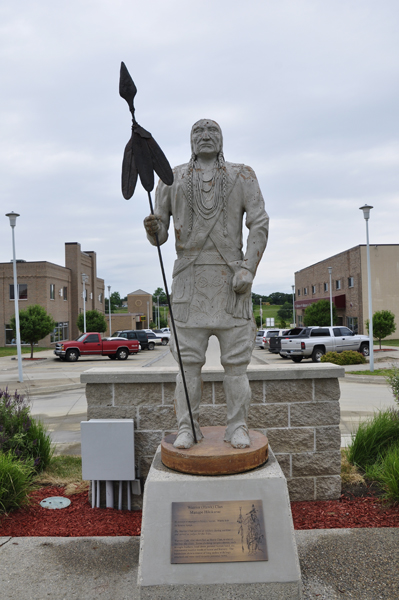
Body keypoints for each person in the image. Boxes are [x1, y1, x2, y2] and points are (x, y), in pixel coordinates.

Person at [144, 119, 269, 449]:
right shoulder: (171, 178)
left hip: (232, 283)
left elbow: (259, 223)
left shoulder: (243, 175)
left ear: (222, 138)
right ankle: (188, 427)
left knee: (237, 365)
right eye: (198, 132)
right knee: (187, 367)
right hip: (189, 282)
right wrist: (153, 227)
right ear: (190, 141)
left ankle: (237, 426)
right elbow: (161, 233)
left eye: (211, 131)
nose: (205, 136)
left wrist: (248, 268)